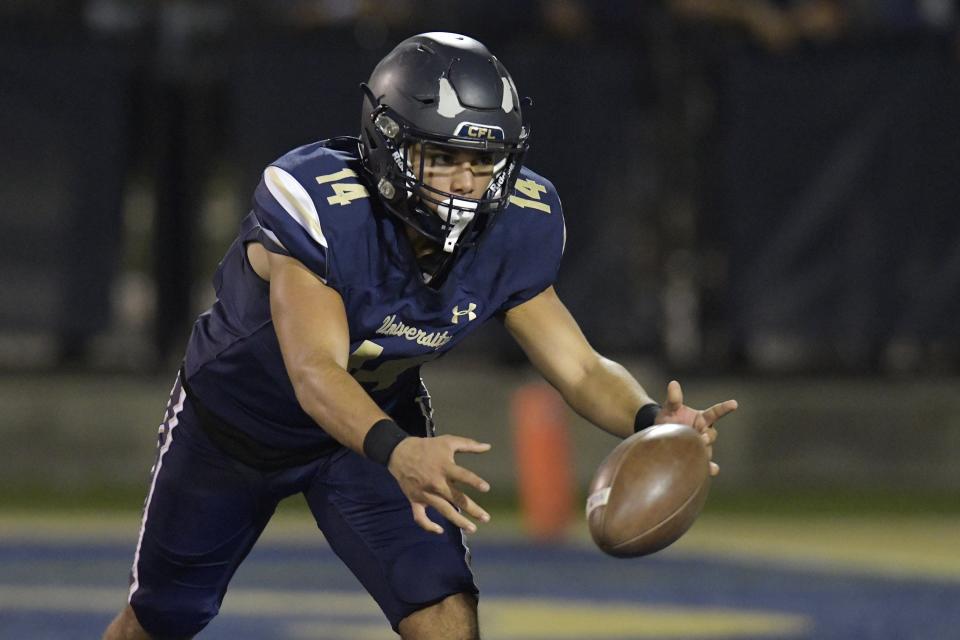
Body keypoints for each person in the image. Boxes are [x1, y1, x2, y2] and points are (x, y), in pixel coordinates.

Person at [103, 31, 738, 640]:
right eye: (444, 158)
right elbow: (315, 374)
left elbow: (579, 367)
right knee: (162, 619)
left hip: (370, 434)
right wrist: (400, 452)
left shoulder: (518, 222)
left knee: (443, 612)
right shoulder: (320, 203)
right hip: (237, 429)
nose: (466, 181)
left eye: (484, 160)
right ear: (388, 145)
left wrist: (653, 421)